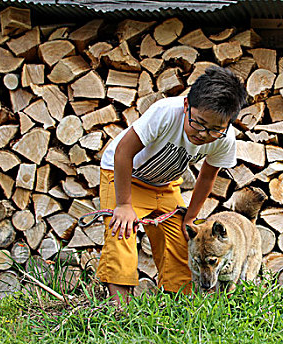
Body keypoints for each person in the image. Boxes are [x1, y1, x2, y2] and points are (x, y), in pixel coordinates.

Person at [97, 66, 246, 303]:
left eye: (215, 129)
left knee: (181, 241)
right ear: (187, 106)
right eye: (198, 123)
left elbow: (207, 177)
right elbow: (123, 152)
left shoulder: (224, 139)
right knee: (122, 232)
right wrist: (124, 205)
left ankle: (177, 306)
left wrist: (190, 217)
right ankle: (119, 311)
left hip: (165, 184)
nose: (203, 134)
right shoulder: (165, 113)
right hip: (125, 175)